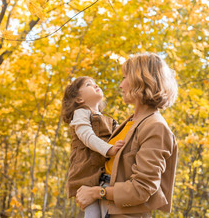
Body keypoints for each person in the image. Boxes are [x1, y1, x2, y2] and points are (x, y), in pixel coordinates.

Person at [76, 53, 178, 218]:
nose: (121, 85)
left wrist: (97, 192)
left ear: (140, 81)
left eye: (125, 78)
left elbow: (143, 188)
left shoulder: (156, 127)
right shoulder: (131, 121)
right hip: (106, 206)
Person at [62, 76, 125, 218]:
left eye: (96, 83)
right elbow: (87, 137)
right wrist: (109, 149)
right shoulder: (81, 113)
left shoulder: (107, 119)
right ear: (79, 99)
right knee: (92, 211)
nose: (96, 85)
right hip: (86, 170)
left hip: (103, 173)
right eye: (89, 84)